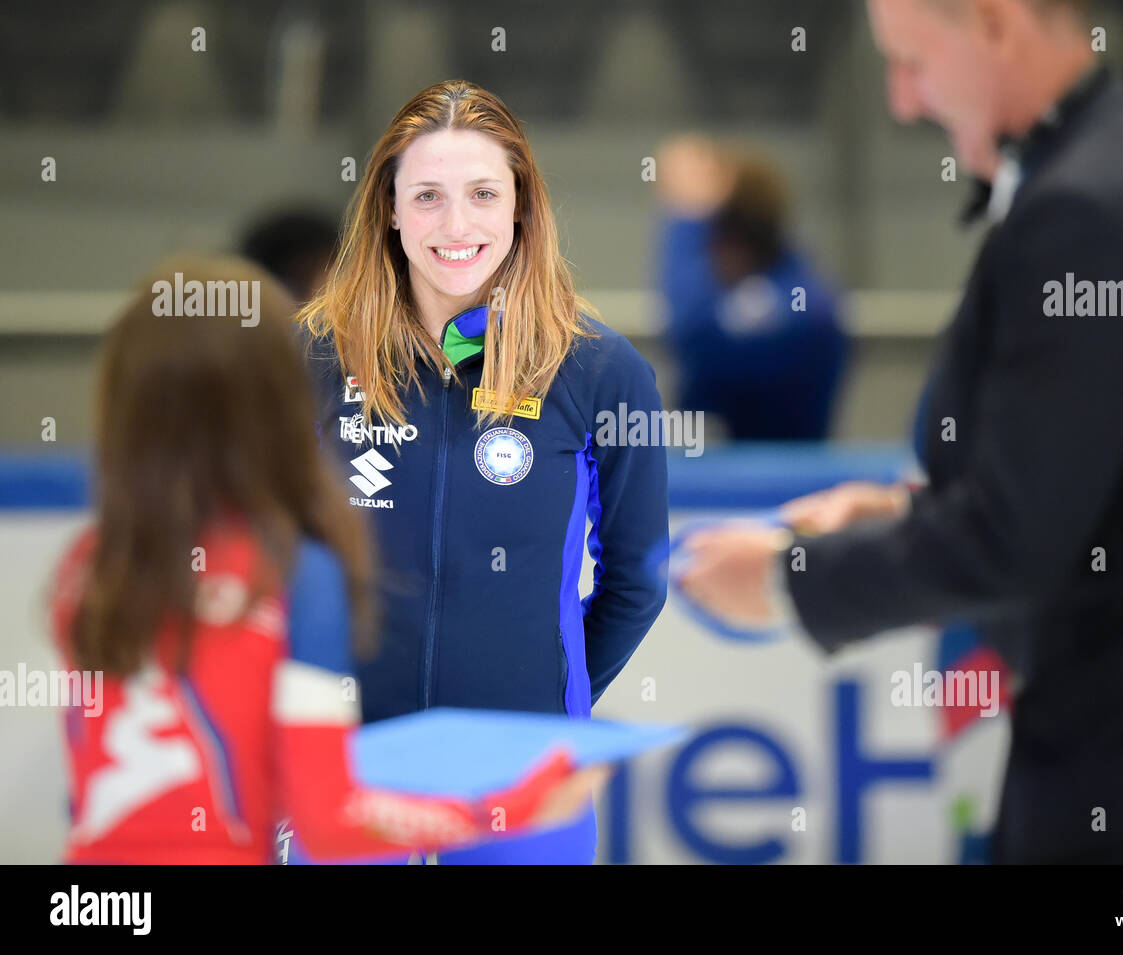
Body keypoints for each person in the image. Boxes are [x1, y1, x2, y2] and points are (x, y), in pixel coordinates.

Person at [678, 0, 1123, 863]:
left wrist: (789, 579)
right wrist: (902, 512)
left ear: (997, 23)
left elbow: (1015, 538)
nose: (901, 99)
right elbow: (1107, 484)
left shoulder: (1090, 213)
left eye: (911, 59)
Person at [49, 255, 604, 865]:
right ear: (277, 397)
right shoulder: (291, 574)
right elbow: (329, 820)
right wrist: (507, 809)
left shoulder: (85, 569)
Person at [297, 80, 669, 864]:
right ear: (389, 210)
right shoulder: (312, 361)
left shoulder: (598, 371)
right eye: (427, 196)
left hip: (526, 787)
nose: (456, 225)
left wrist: (541, 712)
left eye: (482, 194)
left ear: (521, 207)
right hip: (352, 780)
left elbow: (639, 577)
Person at [654, 135, 847, 440]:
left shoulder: (798, 304)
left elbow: (690, 335)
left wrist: (687, 218)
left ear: (733, 241)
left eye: (707, 236)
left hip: (778, 480)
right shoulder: (789, 287)